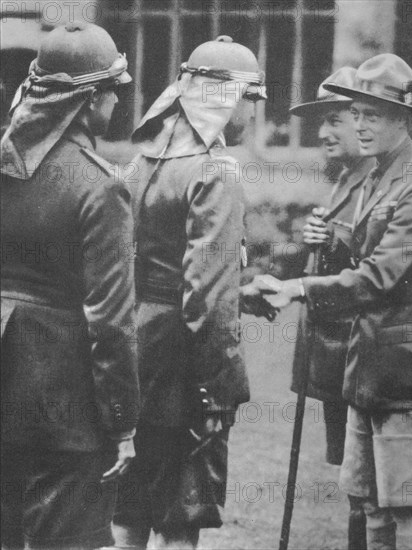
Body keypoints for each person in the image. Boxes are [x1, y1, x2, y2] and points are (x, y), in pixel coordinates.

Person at [254, 54, 412, 550]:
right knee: (369, 501)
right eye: (360, 114)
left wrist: (296, 288)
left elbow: (379, 276)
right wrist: (327, 241)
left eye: (376, 115)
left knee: (406, 508)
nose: (363, 126)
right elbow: (361, 250)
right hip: (370, 361)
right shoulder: (375, 176)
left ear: (402, 119)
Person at [113, 36, 267, 549]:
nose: (254, 112)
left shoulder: (139, 163)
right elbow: (207, 296)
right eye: (252, 98)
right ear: (227, 98)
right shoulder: (215, 170)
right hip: (183, 356)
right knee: (184, 507)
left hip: (134, 342)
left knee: (132, 496)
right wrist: (221, 386)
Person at [0, 22, 140, 549]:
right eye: (113, 91)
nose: (116, 102)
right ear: (91, 100)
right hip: (65, 405)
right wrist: (123, 425)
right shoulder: (101, 186)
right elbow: (111, 321)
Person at [289, 66, 374, 550]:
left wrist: (337, 239)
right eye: (321, 121)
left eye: (334, 119)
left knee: (369, 484)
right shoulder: (343, 180)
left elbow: (391, 272)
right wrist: (316, 243)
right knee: (352, 477)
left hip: (370, 356)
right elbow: (332, 262)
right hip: (335, 353)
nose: (323, 132)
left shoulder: (388, 182)